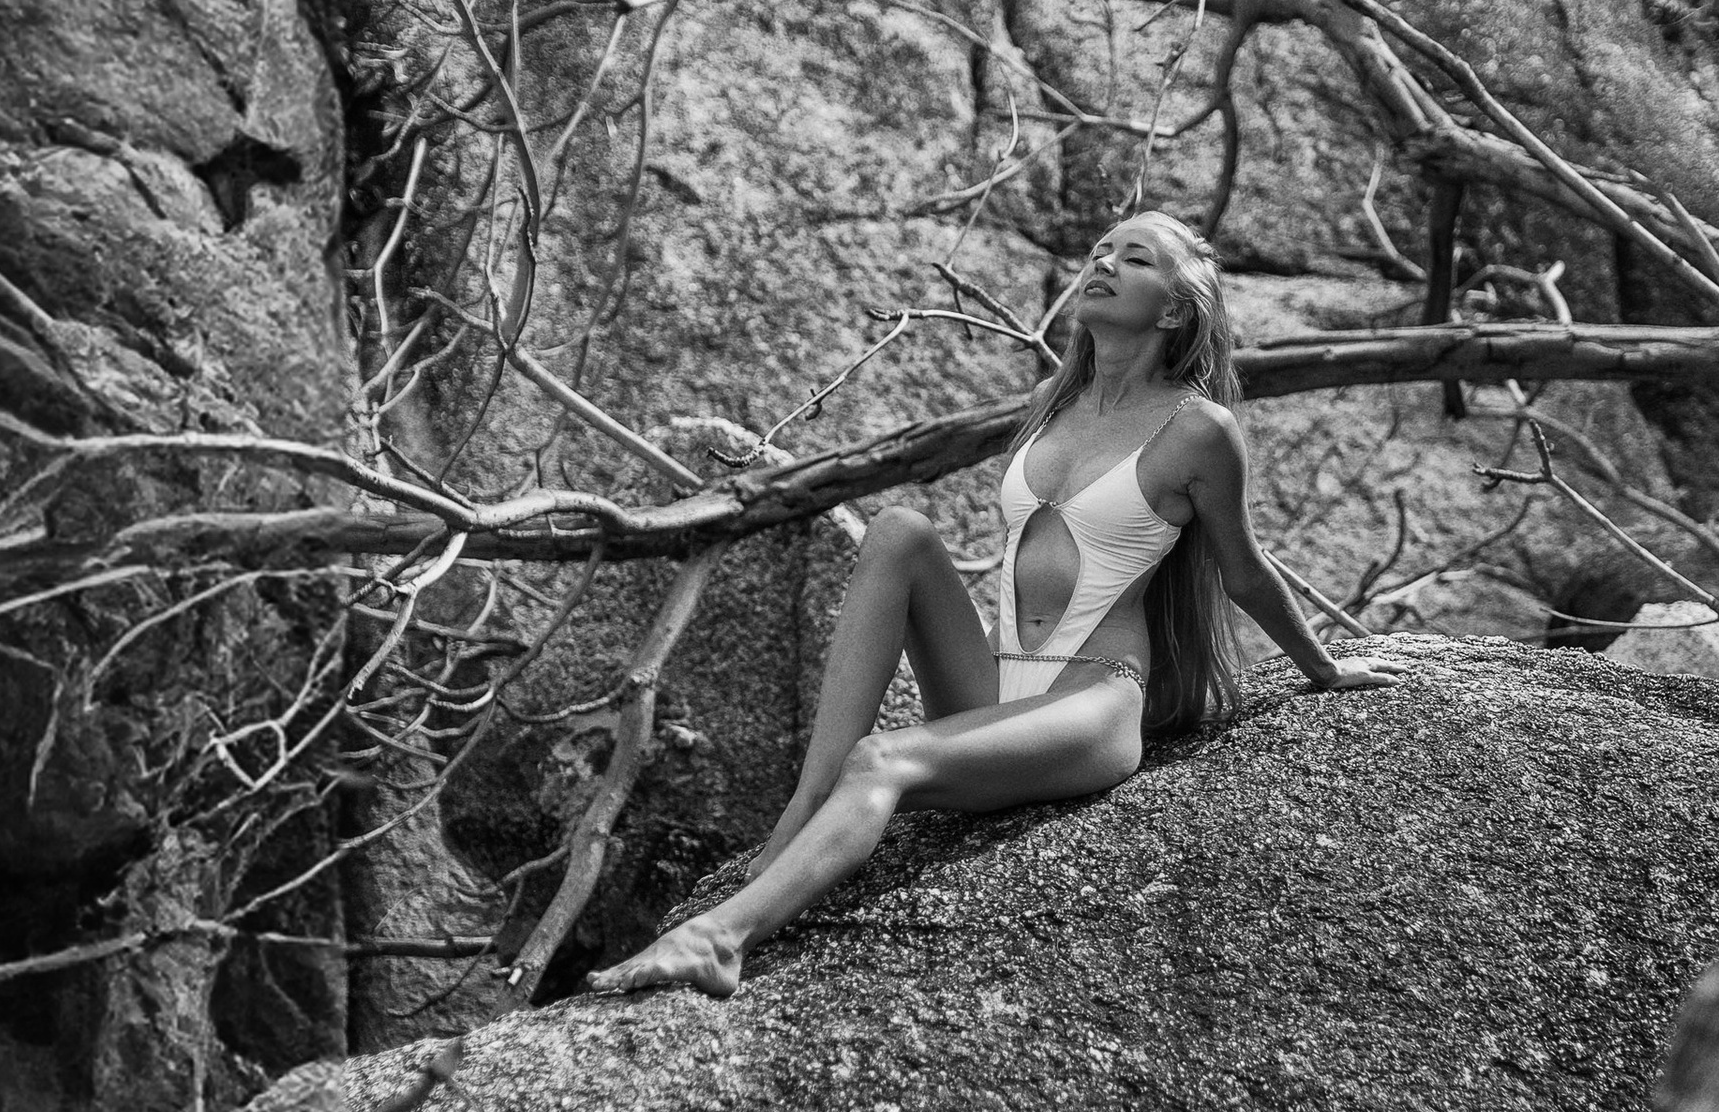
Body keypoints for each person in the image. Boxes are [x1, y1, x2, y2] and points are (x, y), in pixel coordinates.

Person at [587, 211, 1399, 1000]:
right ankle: (804, 806)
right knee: (899, 530)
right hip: (998, 683)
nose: (1104, 263)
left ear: (1179, 307)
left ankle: (719, 940)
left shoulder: (1198, 430)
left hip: (1090, 703)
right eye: (1100, 249)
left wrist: (1324, 671)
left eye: (1137, 258)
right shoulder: (1053, 397)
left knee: (883, 760)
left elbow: (1246, 571)